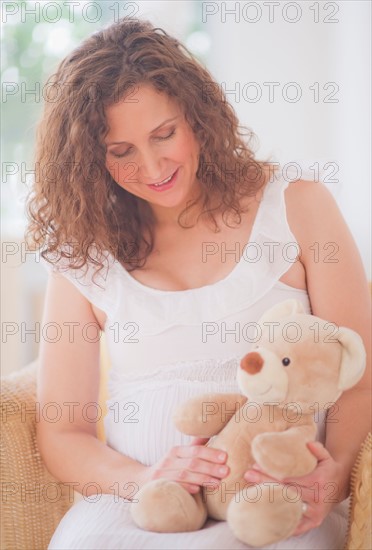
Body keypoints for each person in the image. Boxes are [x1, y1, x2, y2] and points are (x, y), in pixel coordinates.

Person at [26, 18, 371, 550]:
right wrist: (145, 481)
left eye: (165, 134)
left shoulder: (297, 206)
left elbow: (360, 369)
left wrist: (335, 474)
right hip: (136, 509)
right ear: (92, 159)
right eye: (122, 152)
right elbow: (62, 432)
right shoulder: (83, 255)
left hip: (273, 507)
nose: (153, 165)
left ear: (198, 116)